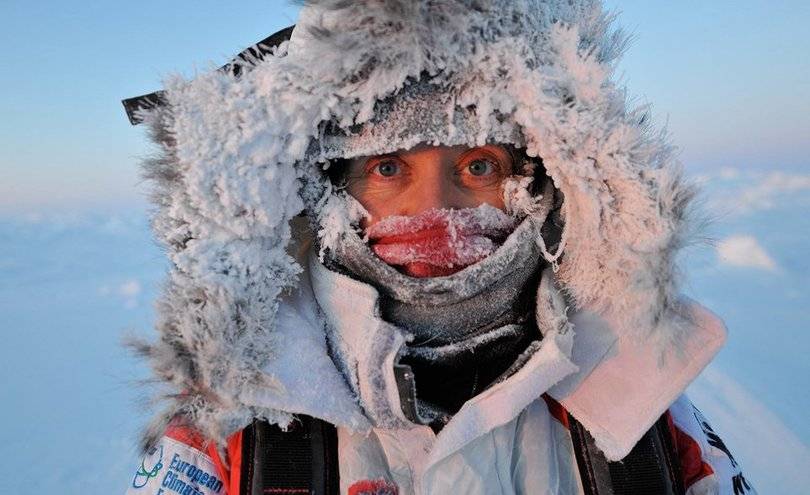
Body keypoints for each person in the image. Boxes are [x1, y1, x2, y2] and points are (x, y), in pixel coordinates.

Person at [122, 1, 755, 494]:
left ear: (542, 183)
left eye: (479, 166)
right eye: (390, 169)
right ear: (327, 194)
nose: (436, 212)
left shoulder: (635, 405)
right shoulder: (231, 424)